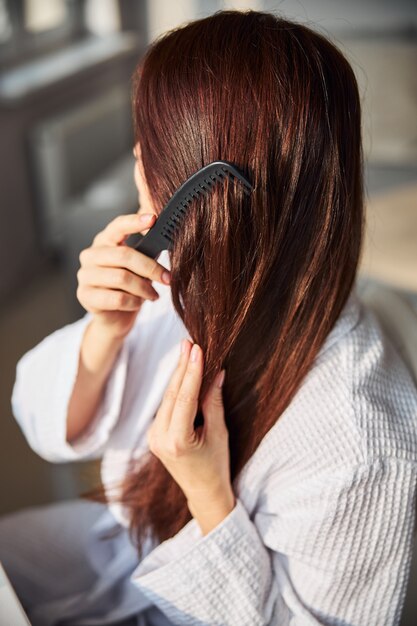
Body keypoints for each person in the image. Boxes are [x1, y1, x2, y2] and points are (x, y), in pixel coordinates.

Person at [1, 9, 417, 626]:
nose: (137, 156)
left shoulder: (363, 439)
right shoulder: (180, 285)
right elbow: (44, 428)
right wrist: (104, 333)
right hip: (121, 545)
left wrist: (208, 493)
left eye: (151, 146)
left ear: (204, 194)